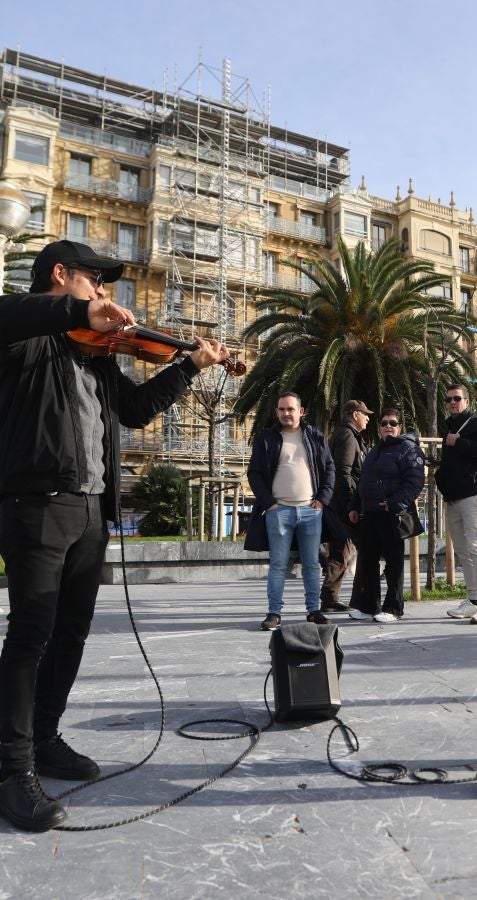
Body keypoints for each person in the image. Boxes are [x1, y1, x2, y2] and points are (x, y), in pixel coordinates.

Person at [0, 239, 229, 833]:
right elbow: (10, 312)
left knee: (71, 632)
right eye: (94, 280)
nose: (104, 292)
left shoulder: (97, 354)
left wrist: (187, 366)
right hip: (36, 503)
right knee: (30, 634)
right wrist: (77, 313)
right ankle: (12, 767)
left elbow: (132, 411)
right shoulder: (23, 335)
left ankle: (46, 736)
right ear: (60, 275)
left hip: (90, 508)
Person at [247, 392, 335, 631]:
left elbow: (329, 469)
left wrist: (322, 500)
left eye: (290, 409)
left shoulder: (315, 436)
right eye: (282, 409)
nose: (286, 413)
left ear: (301, 411)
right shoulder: (267, 438)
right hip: (279, 511)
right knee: (278, 564)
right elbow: (253, 473)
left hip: (310, 511)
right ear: (277, 412)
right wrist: (269, 503)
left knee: (311, 564)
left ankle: (313, 611)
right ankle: (274, 613)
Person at [347, 408, 425, 623]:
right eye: (384, 423)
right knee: (368, 561)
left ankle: (393, 608)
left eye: (392, 423)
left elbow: (415, 482)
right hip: (370, 513)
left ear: (399, 427)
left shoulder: (408, 449)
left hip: (392, 514)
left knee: (394, 563)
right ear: (379, 427)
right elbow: (363, 481)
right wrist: (354, 506)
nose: (388, 426)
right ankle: (369, 606)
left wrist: (392, 504)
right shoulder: (374, 450)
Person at [434, 385, 477, 624]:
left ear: (466, 401)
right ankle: (471, 601)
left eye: (456, 398)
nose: (452, 402)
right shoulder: (449, 425)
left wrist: (459, 442)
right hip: (454, 498)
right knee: (463, 551)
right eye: (448, 399)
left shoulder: (476, 422)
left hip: (474, 495)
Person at [319, 399, 372, 613]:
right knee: (357, 548)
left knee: (341, 548)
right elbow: (343, 471)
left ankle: (330, 596)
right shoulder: (348, 436)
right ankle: (358, 597)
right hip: (343, 503)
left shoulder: (345, 434)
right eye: (364, 413)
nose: (368, 417)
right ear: (354, 414)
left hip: (337, 502)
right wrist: (352, 503)